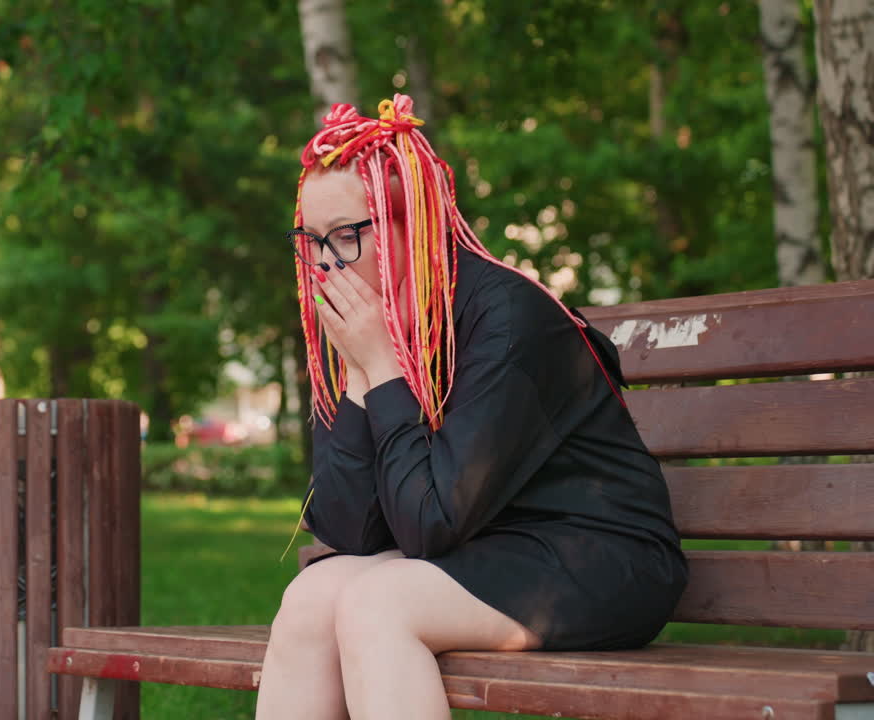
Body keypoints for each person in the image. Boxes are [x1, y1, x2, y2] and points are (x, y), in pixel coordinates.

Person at [255, 95, 688, 720]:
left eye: (346, 237)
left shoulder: (506, 319)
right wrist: (358, 377)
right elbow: (350, 533)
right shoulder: (377, 324)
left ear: (415, 222)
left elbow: (429, 523)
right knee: (312, 594)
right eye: (311, 241)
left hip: (598, 558)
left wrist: (380, 372)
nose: (325, 264)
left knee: (378, 604)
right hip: (484, 549)